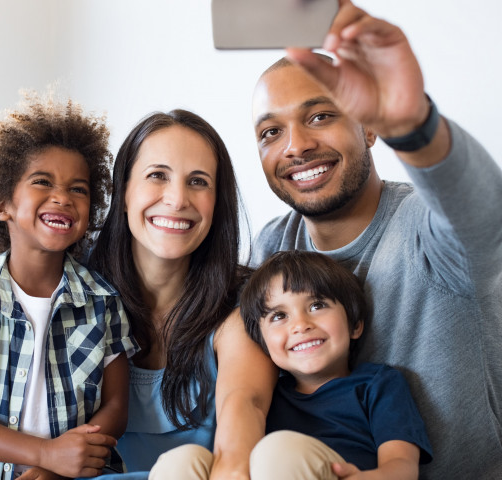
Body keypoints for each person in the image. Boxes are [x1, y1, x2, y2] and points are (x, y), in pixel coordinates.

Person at [250, 1, 502, 478]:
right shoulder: (271, 248)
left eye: (320, 116)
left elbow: (484, 220)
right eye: (270, 132)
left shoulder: (423, 230)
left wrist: (412, 125)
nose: (295, 145)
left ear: (368, 127)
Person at [0, 92, 138, 480]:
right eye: (43, 182)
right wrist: (46, 454)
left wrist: (58, 467)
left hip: (78, 473)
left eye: (79, 189)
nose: (62, 197)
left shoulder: (104, 303)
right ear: (1, 204)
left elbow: (116, 410)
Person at [87, 109, 276, 480]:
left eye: (198, 182)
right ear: (123, 191)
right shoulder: (74, 292)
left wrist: (235, 466)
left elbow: (246, 402)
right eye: (158, 175)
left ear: (217, 203)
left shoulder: (241, 306)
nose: (177, 200)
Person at [241, 250, 432, 479]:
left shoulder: (378, 384)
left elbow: (402, 465)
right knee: (190, 457)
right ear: (262, 342)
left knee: (275, 450)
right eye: (279, 316)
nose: (300, 325)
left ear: (355, 325)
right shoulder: (266, 398)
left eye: (317, 305)